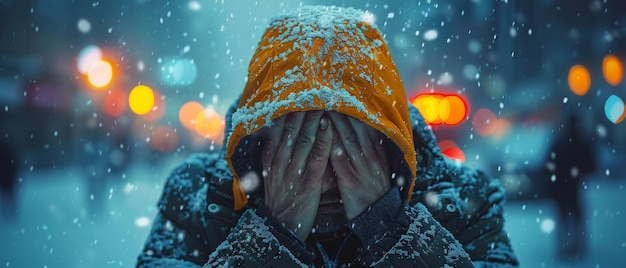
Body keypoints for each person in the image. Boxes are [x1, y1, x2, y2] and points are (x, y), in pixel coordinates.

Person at [137, 6, 519, 267]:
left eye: (351, 145)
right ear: (258, 145)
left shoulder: (467, 200)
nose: (324, 175)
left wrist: (391, 229)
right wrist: (271, 238)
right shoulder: (195, 198)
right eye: (300, 142)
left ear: (391, 142)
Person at [545, 114, 596, 261]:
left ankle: (566, 247)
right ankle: (576, 247)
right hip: (573, 187)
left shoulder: (560, 142)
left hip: (562, 188)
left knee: (565, 218)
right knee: (575, 218)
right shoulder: (580, 142)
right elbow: (591, 164)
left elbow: (549, 164)